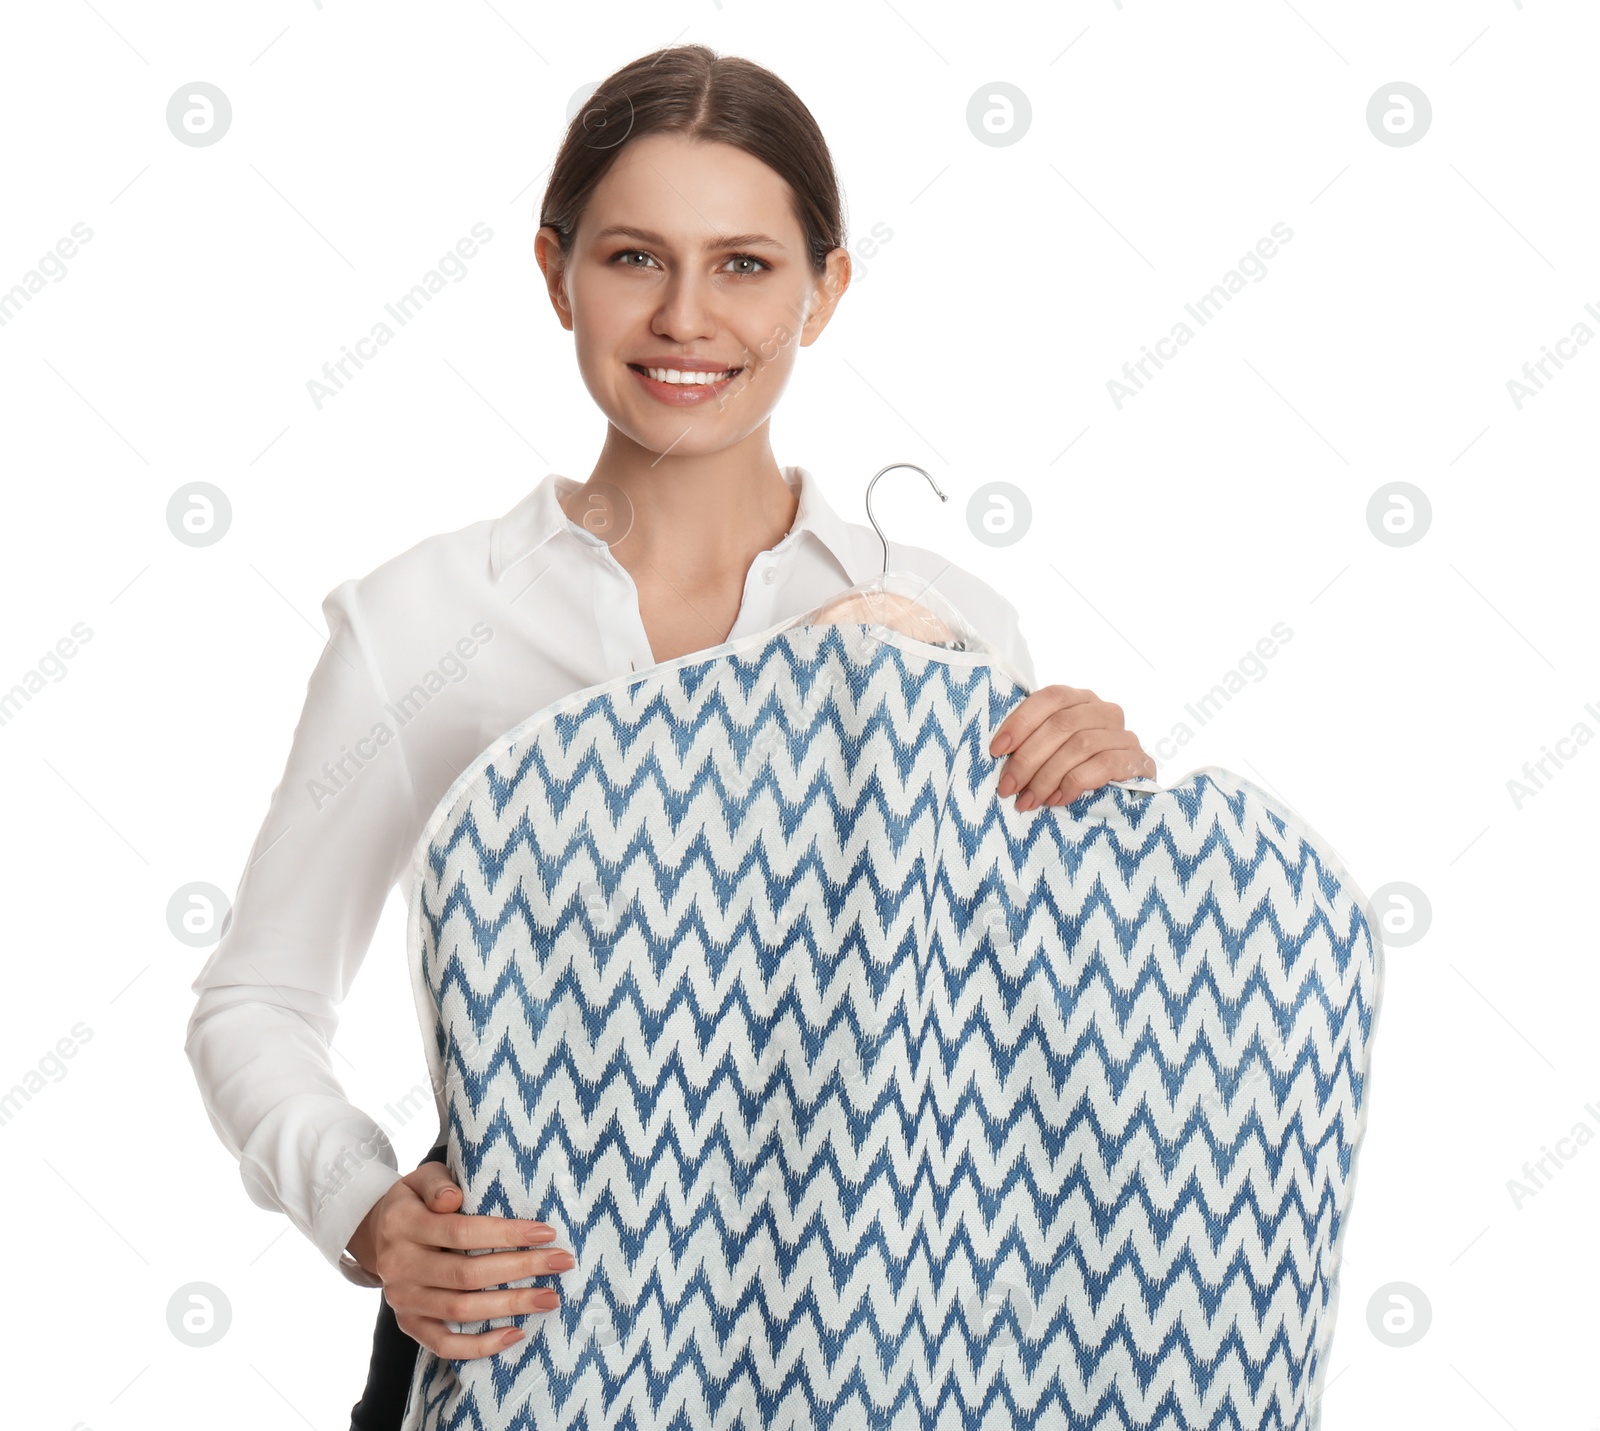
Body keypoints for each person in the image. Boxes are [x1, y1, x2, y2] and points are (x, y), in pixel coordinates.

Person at [184, 41, 1157, 1430]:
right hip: (520, 1338)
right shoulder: (425, 622)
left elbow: (1008, 1039)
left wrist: (1120, 831)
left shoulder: (946, 631)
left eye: (747, 266)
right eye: (635, 258)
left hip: (864, 1338)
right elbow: (258, 1001)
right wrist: (368, 1216)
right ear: (554, 272)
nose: (685, 317)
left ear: (826, 289)